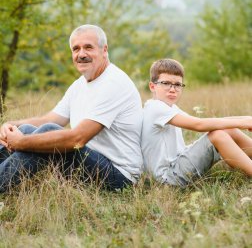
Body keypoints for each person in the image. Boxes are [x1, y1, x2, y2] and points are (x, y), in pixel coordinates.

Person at [0, 24, 143, 192]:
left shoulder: (114, 83)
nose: (81, 54)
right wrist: (10, 126)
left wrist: (21, 142)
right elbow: (50, 118)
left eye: (88, 47)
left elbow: (77, 139)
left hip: (119, 177)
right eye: (76, 49)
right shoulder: (79, 85)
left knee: (48, 131)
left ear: (104, 50)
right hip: (91, 161)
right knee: (24, 129)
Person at [141, 58, 252, 187]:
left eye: (177, 84)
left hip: (178, 163)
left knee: (229, 129)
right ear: (152, 86)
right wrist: (244, 122)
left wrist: (246, 119)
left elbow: (206, 123)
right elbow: (198, 125)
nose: (172, 89)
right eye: (166, 83)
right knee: (218, 136)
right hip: (167, 179)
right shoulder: (156, 108)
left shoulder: (168, 107)